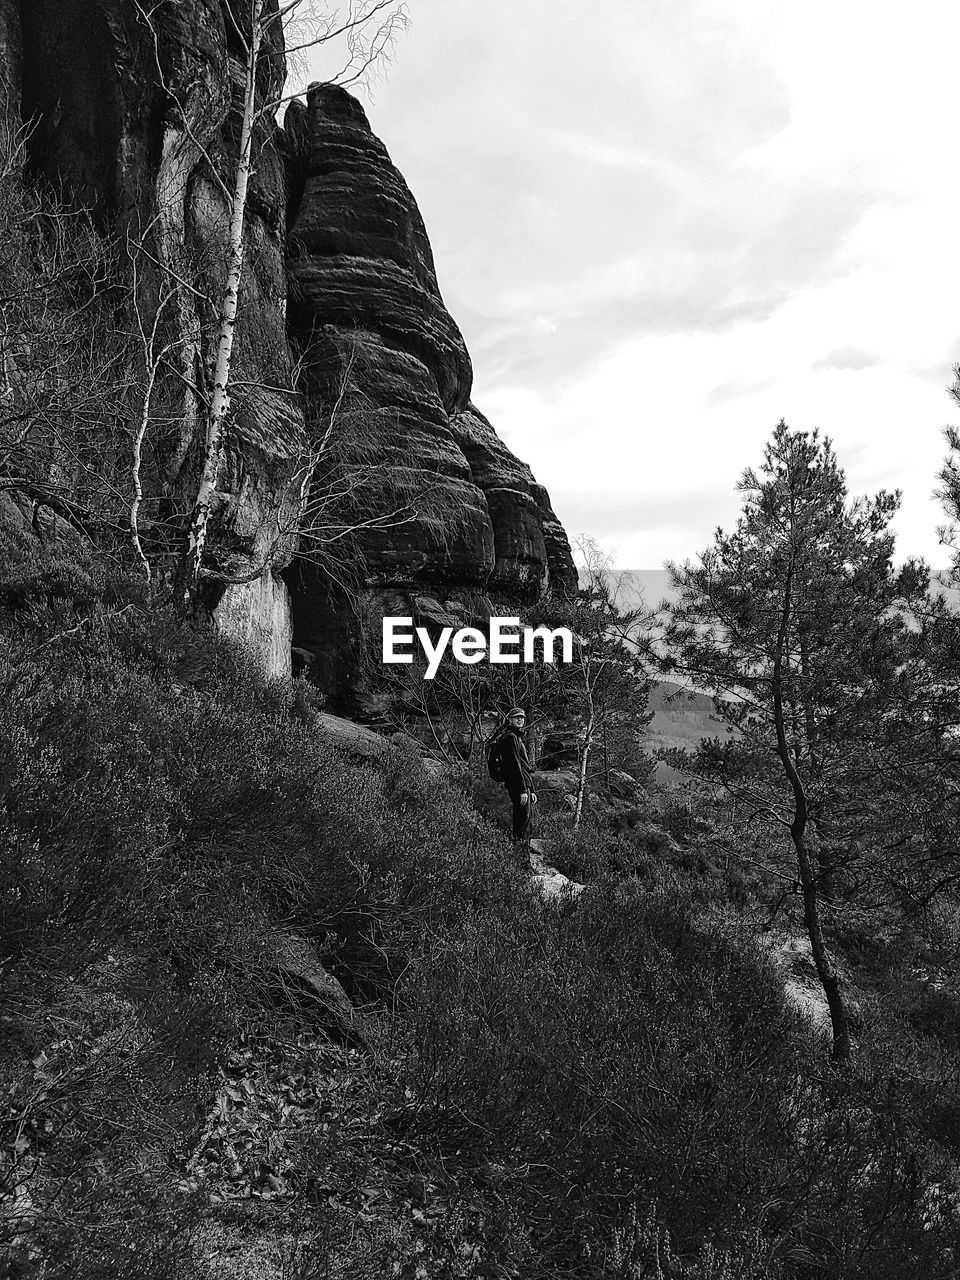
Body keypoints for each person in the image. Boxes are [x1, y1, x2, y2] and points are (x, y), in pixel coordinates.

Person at [498, 707, 536, 843]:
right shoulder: (510, 737)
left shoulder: (516, 737)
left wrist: (531, 789)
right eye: (516, 717)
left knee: (526, 821)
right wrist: (522, 790)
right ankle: (522, 861)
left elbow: (524, 767)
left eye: (522, 717)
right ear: (510, 720)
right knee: (521, 822)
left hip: (524, 786)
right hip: (518, 787)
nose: (520, 719)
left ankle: (522, 855)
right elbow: (513, 766)